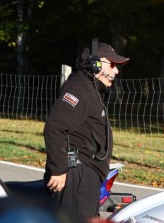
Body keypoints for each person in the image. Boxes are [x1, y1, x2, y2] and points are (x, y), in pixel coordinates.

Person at [43, 41, 129, 222]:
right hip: (76, 177)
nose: (116, 71)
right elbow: (55, 127)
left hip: (84, 177)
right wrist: (58, 169)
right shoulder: (80, 89)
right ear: (95, 64)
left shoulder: (91, 89)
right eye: (112, 64)